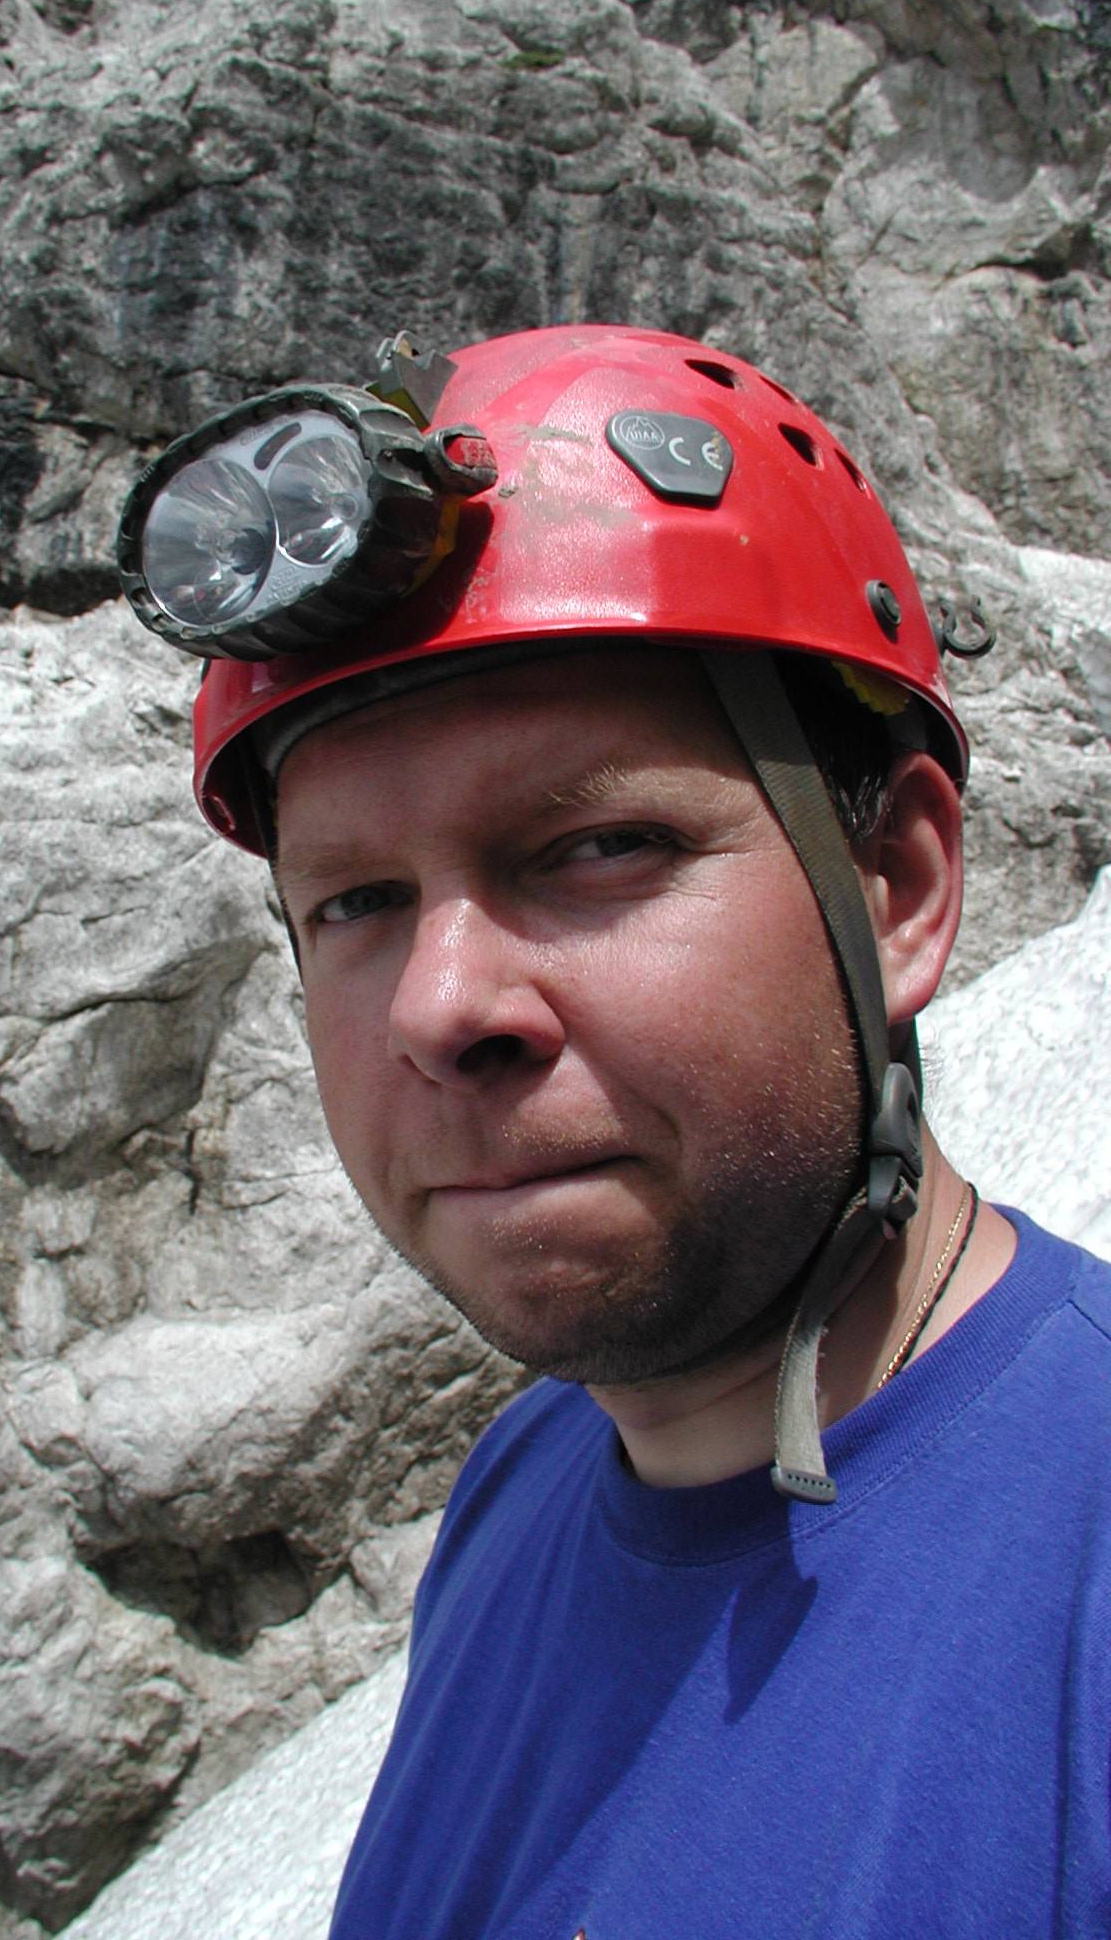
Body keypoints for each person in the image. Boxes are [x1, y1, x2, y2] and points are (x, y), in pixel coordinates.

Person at [115, 326, 1111, 1937]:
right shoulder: (521, 1491)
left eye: (596, 847)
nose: (442, 1005)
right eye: (355, 901)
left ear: (900, 889)